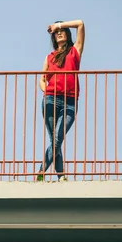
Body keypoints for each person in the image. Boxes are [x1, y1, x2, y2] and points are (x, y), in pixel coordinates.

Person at [37, 19, 85, 181]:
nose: (59, 33)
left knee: (57, 138)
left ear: (66, 32)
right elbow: (42, 80)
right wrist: (47, 91)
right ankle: (61, 175)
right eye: (57, 32)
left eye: (62, 30)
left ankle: (42, 171)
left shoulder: (75, 51)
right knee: (55, 139)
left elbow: (80, 24)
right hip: (50, 99)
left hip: (70, 101)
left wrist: (58, 25)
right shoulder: (49, 57)